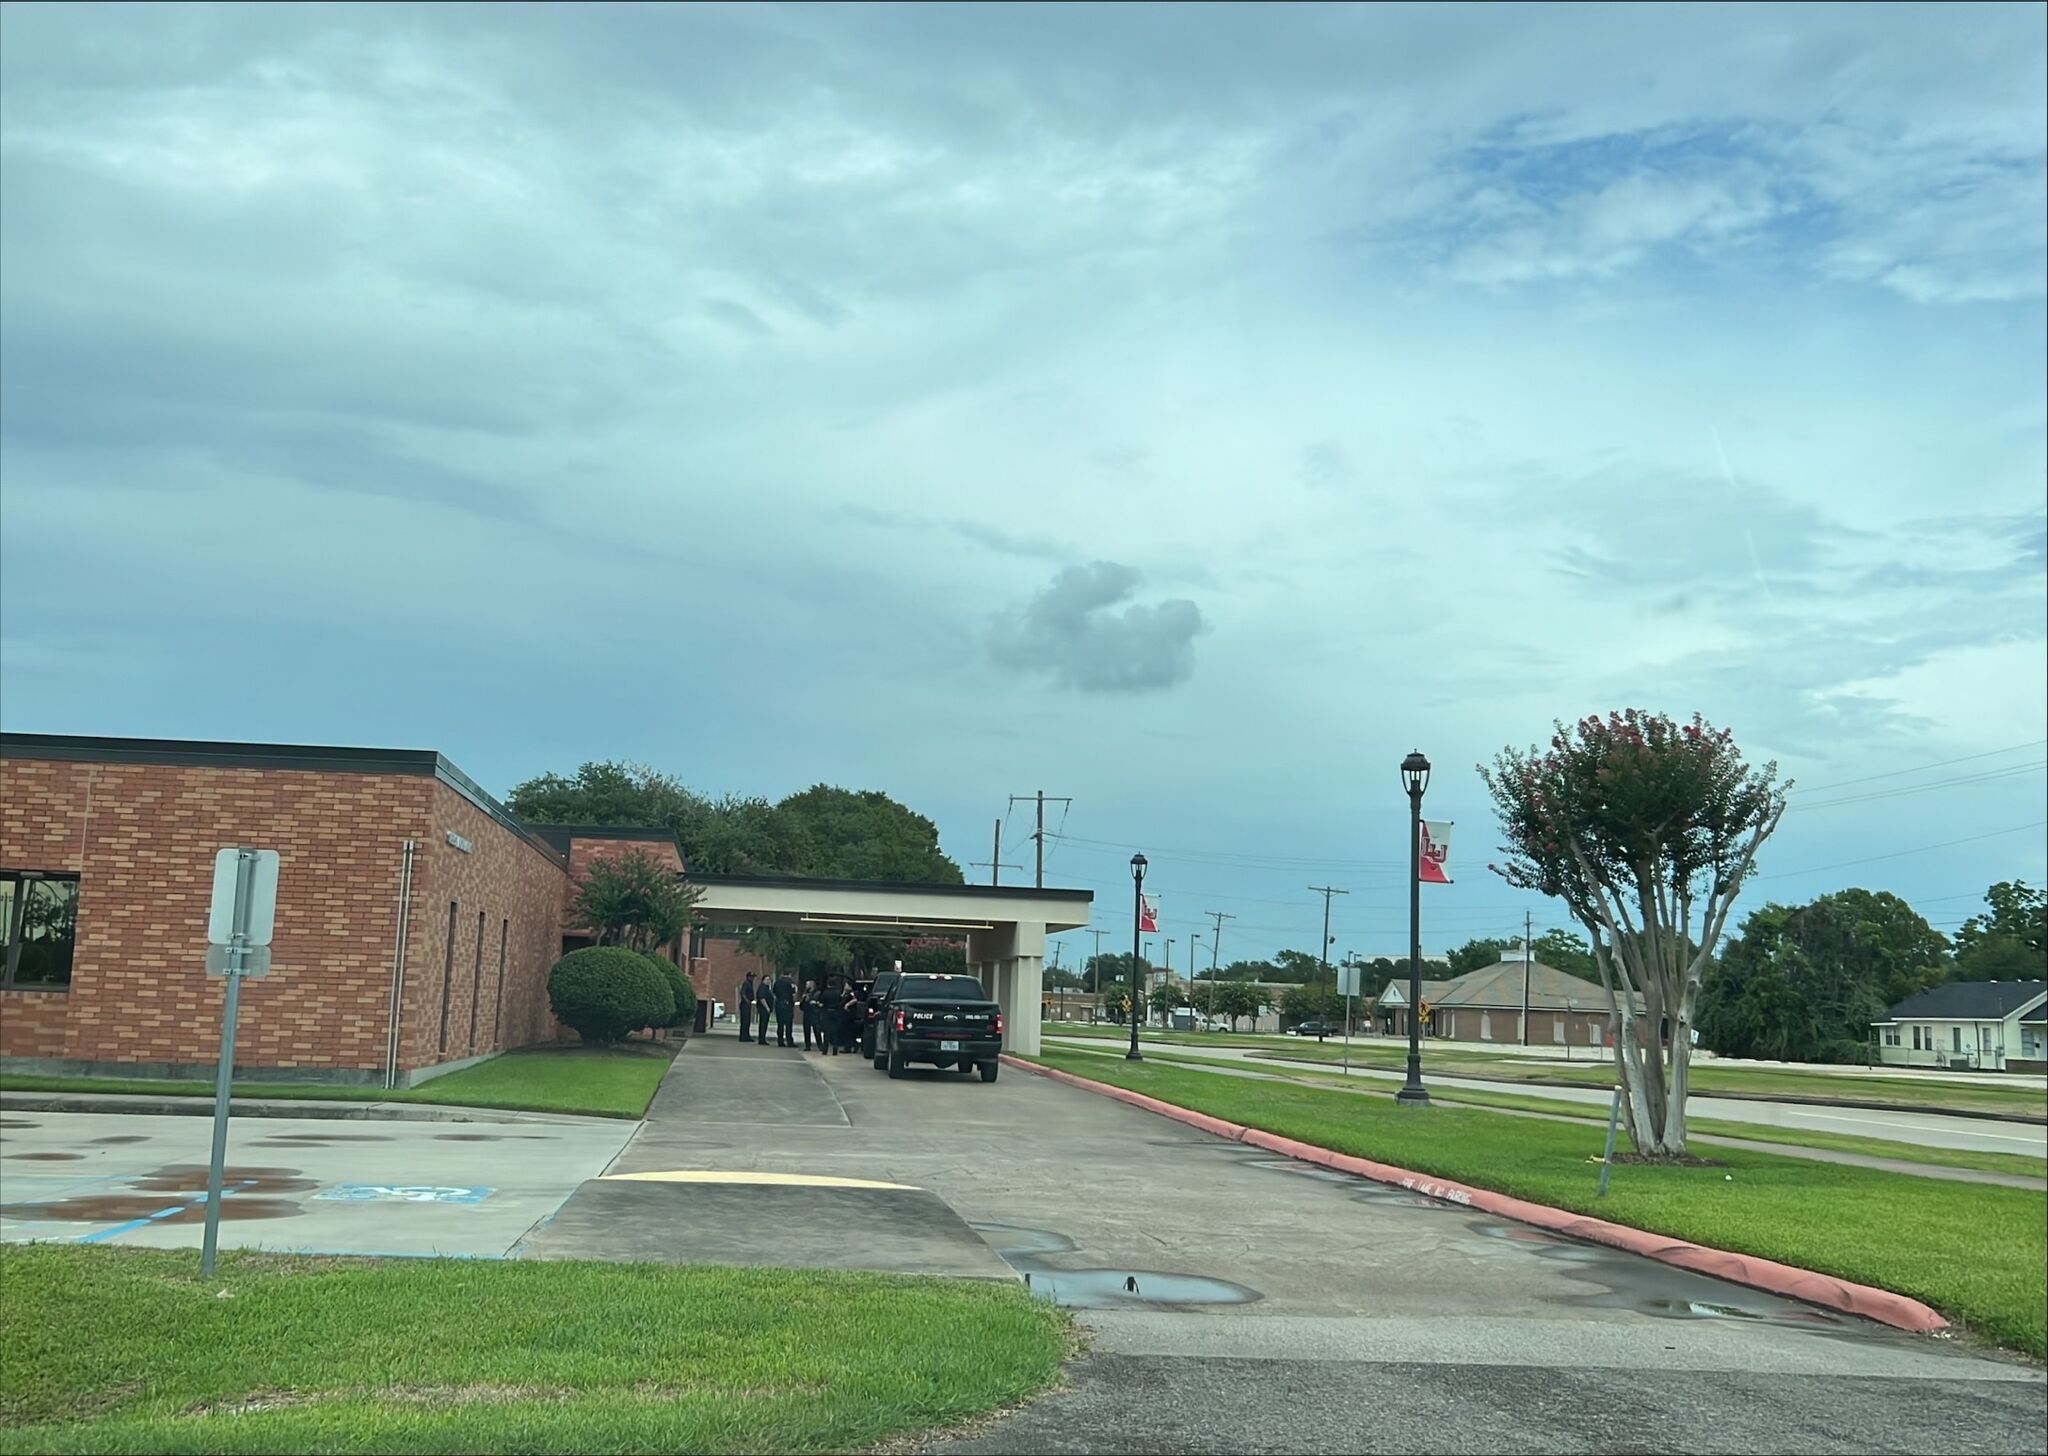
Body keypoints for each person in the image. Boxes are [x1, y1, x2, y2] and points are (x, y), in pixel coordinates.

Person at [772, 970, 796, 1047]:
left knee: (780, 1024)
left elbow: (774, 991)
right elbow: (792, 992)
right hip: (787, 1005)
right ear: (789, 975)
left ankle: (780, 1041)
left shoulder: (777, 982)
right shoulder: (790, 983)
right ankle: (789, 1041)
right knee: (788, 1024)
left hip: (779, 1004)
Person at [755, 974, 775, 1045]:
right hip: (763, 1009)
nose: (768, 981)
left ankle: (762, 1038)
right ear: (763, 980)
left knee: (764, 1024)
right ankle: (762, 1039)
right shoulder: (762, 988)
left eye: (769, 980)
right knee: (763, 1024)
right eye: (767, 980)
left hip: (765, 1009)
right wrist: (767, 1007)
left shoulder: (766, 988)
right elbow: (762, 998)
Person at [736, 971, 756, 1042]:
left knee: (747, 1021)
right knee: (744, 1021)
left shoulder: (750, 984)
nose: (753, 978)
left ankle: (746, 1035)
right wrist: (747, 1001)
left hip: (748, 1004)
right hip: (745, 1005)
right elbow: (743, 992)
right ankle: (743, 1036)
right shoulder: (746, 983)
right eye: (752, 977)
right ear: (748, 977)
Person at [800, 980, 819, 1051]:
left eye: (807, 985)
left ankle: (820, 1044)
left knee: (816, 1030)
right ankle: (807, 1045)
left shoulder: (817, 993)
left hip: (814, 1013)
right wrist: (803, 999)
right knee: (806, 1030)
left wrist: (812, 1001)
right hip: (807, 1013)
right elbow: (801, 1006)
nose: (806, 986)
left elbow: (818, 1002)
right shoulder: (805, 993)